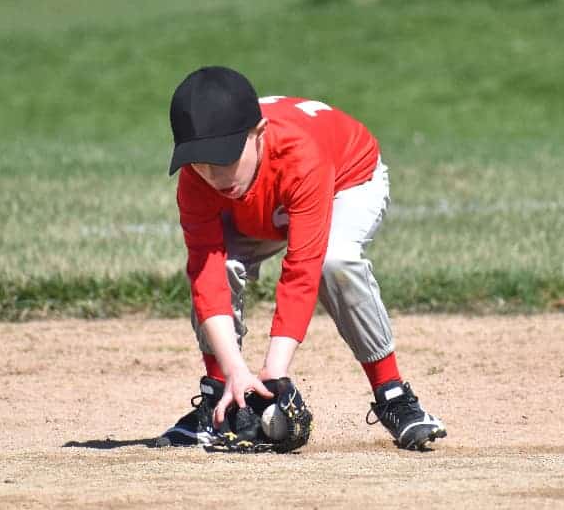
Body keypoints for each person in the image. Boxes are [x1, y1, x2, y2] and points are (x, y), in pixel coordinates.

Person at [156, 66, 446, 451]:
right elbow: (206, 273)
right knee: (220, 265)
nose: (213, 174)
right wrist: (237, 372)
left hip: (346, 179)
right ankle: (219, 400)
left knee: (334, 261)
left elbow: (302, 271)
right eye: (200, 161)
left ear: (257, 134)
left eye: (224, 158)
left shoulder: (300, 154)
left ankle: (394, 395)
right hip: (261, 203)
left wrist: (274, 375)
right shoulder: (200, 178)